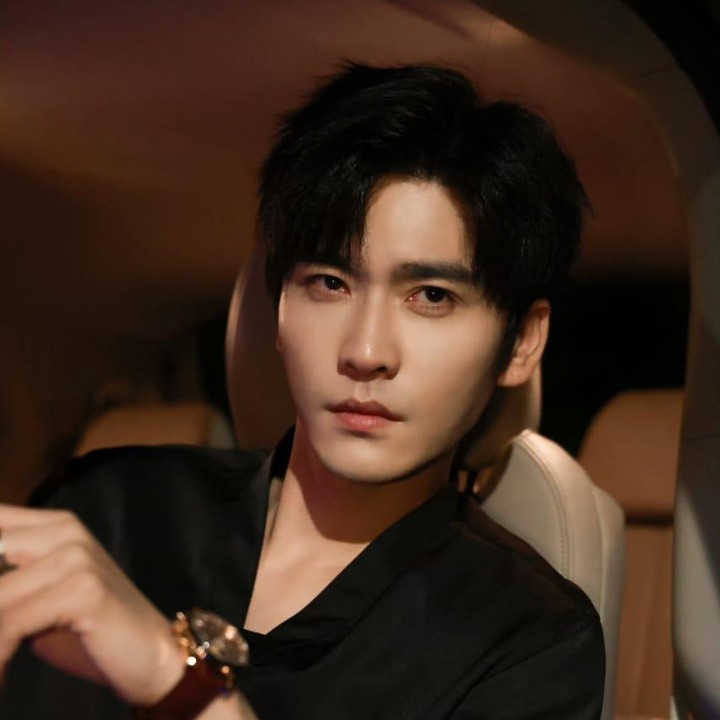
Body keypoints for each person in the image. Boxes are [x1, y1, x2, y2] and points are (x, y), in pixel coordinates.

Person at [0, 63, 604, 719]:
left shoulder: (529, 638)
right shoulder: (108, 509)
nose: (365, 352)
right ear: (280, 309)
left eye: (431, 297)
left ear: (521, 343)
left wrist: (172, 677)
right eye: (329, 284)